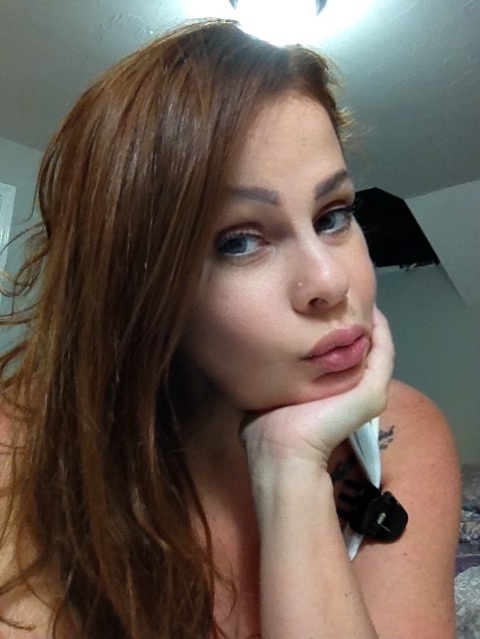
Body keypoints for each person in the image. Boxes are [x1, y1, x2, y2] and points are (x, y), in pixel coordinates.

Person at [0, 18, 461, 639]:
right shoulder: (18, 454)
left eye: (332, 215)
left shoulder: (405, 435)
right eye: (240, 241)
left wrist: (291, 468)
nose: (330, 281)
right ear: (138, 287)